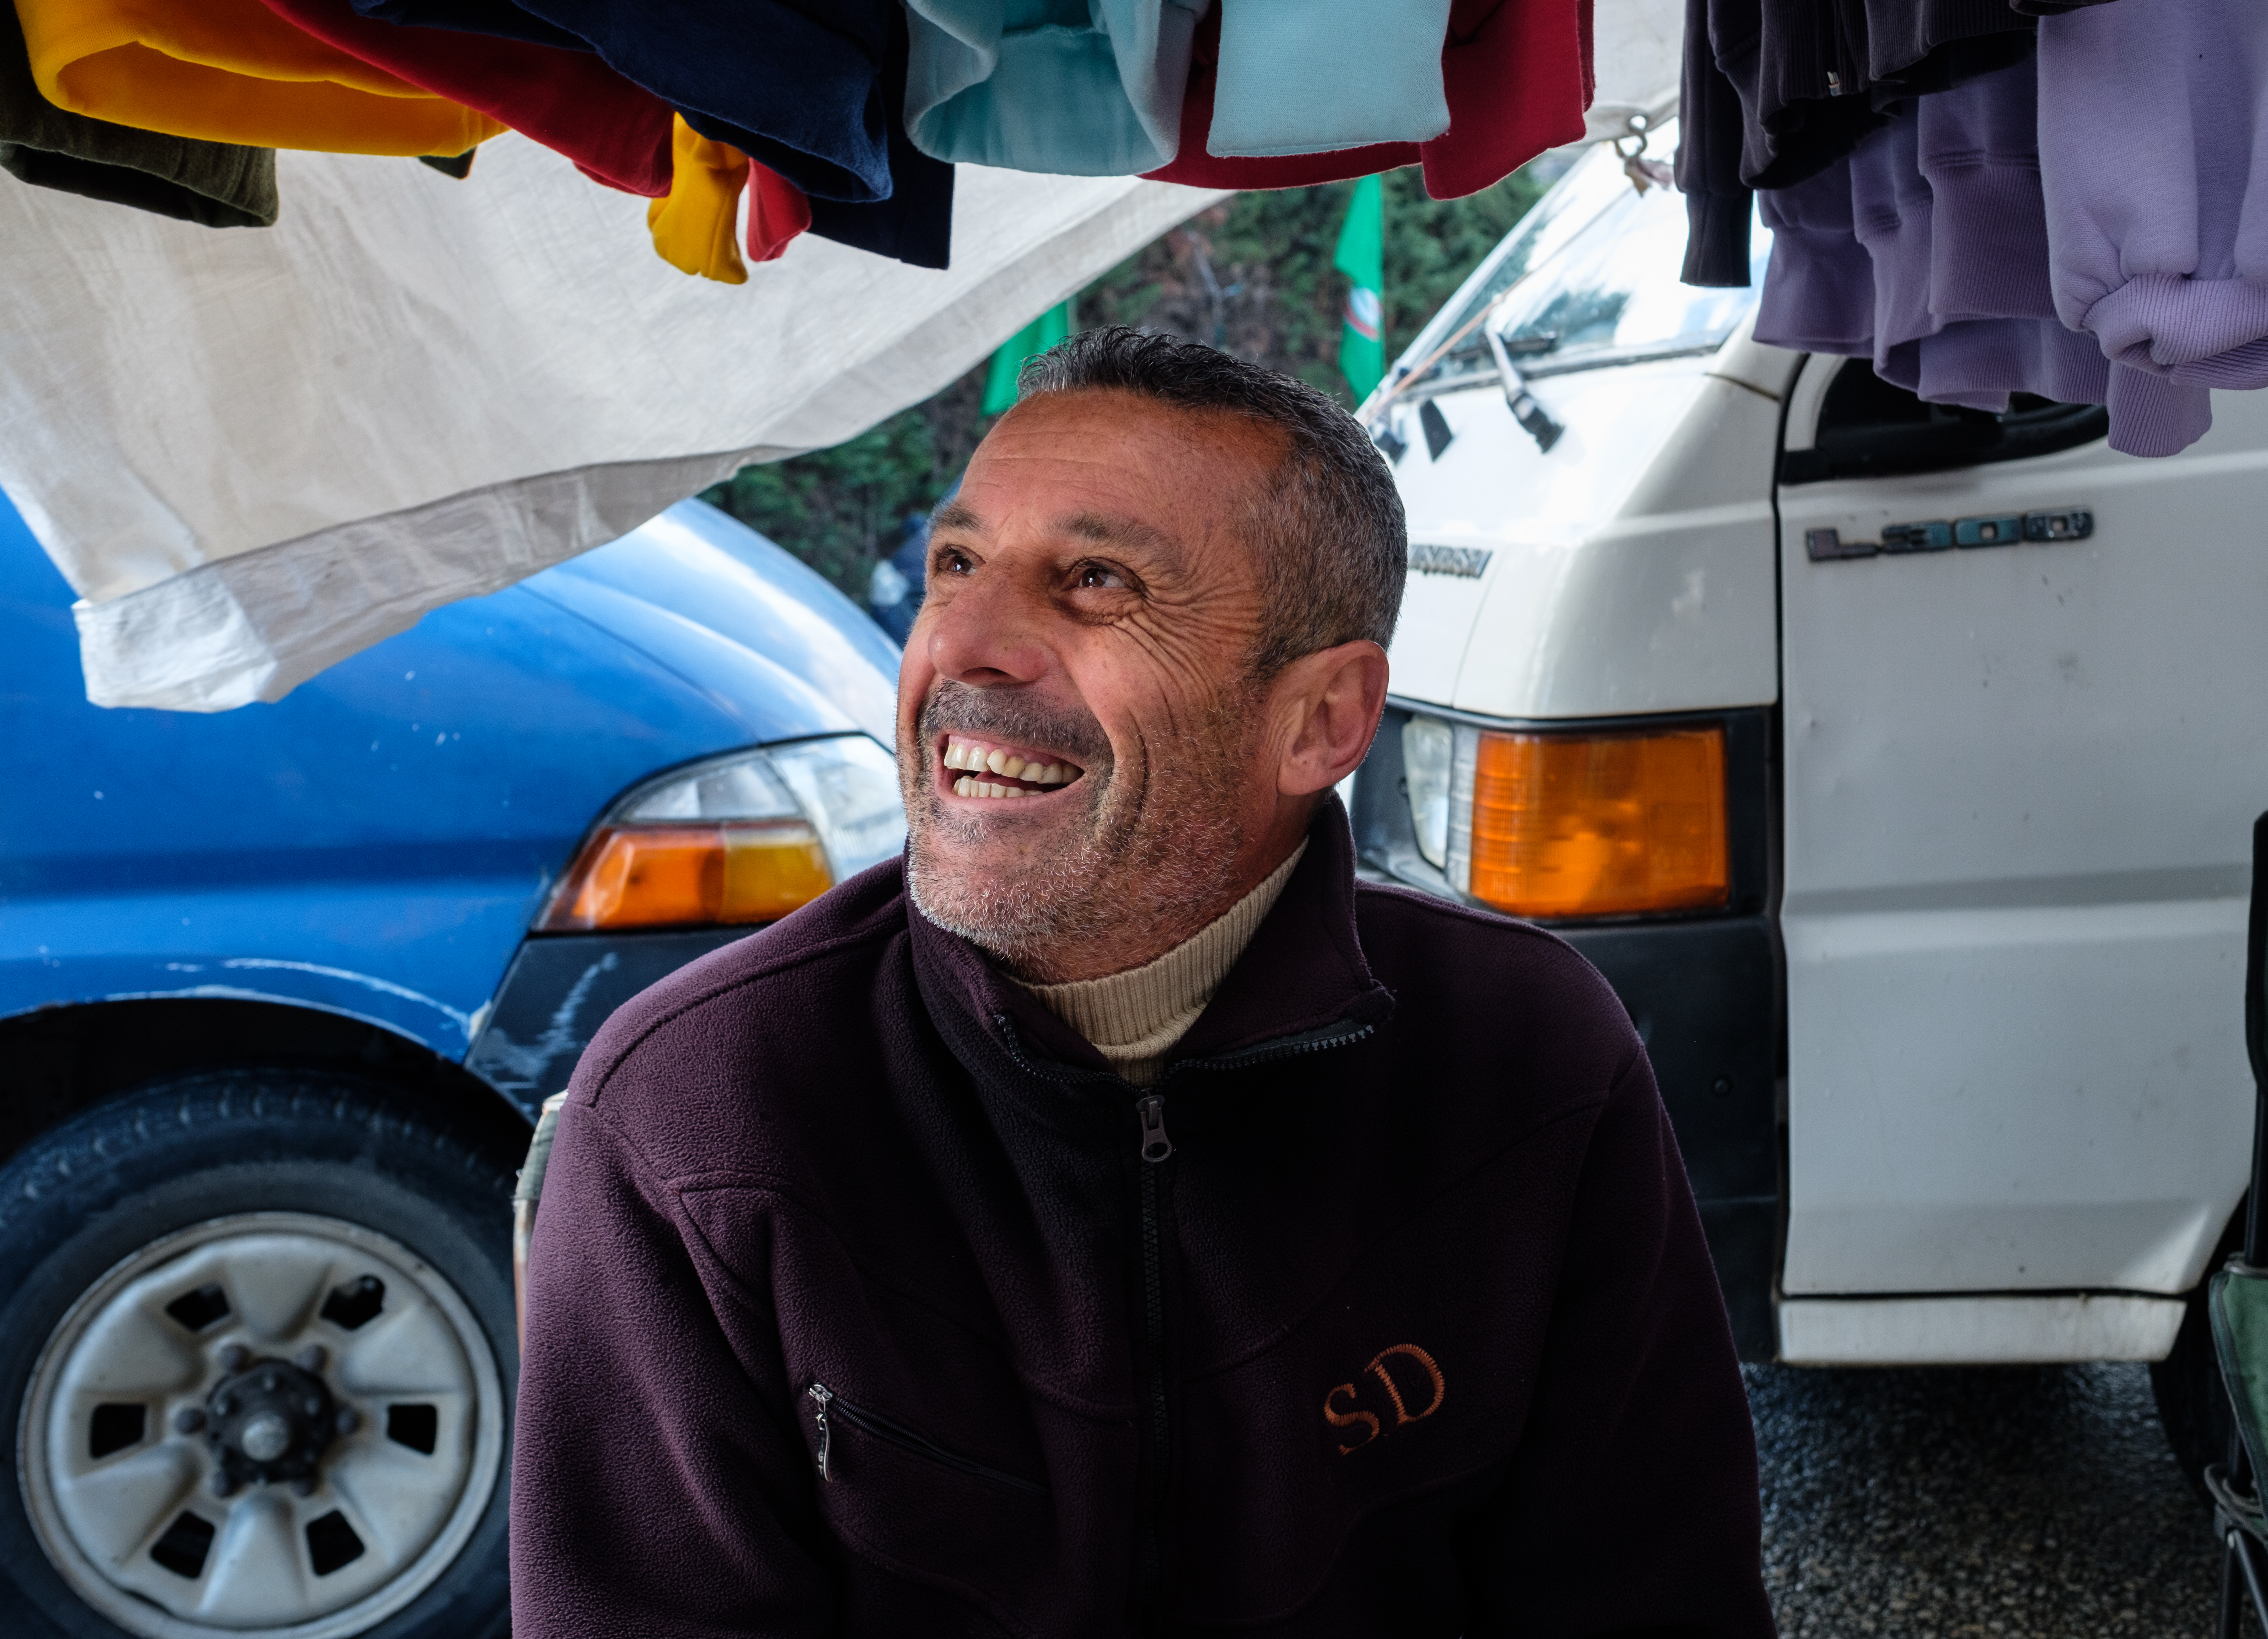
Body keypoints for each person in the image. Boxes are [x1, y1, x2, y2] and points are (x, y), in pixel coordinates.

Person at [510, 327, 1774, 1637]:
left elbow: (1655, 1602)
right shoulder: (699, 1117)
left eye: (1096, 582)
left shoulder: (1528, 1060)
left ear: (1323, 722)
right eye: (957, 566)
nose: (967, 646)